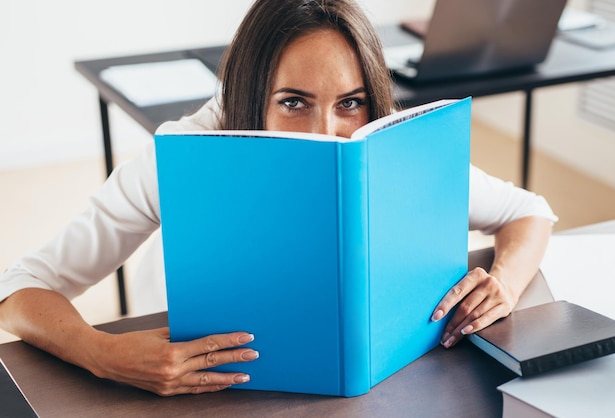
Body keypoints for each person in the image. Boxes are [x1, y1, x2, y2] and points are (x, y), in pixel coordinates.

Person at [0, 0, 556, 397]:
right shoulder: (180, 156)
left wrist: (503, 282)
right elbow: (18, 290)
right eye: (294, 102)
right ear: (250, 94)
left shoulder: (387, 147)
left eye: (351, 102)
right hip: (211, 381)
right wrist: (102, 354)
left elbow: (529, 211)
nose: (325, 132)